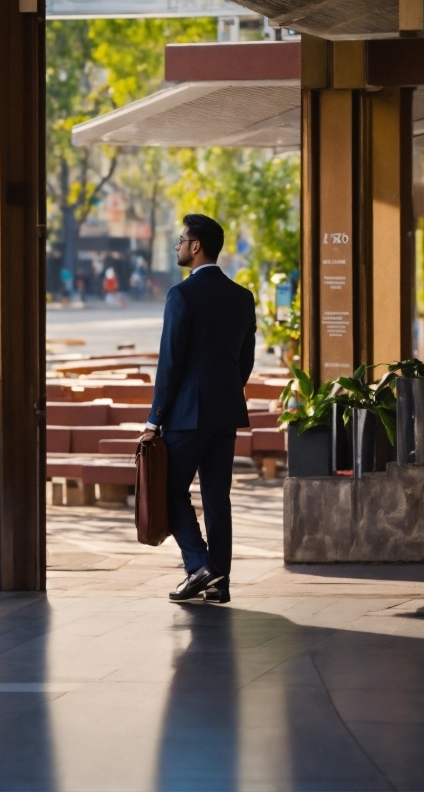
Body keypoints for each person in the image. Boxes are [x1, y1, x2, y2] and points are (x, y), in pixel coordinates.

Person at [144, 214, 256, 604]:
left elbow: (170, 362)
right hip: (225, 413)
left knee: (170, 492)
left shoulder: (181, 295)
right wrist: (223, 393)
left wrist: (153, 420)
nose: (177, 246)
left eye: (180, 240)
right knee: (216, 498)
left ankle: (198, 564)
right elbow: (245, 361)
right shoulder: (242, 297)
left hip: (186, 416)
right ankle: (219, 582)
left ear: (196, 247)